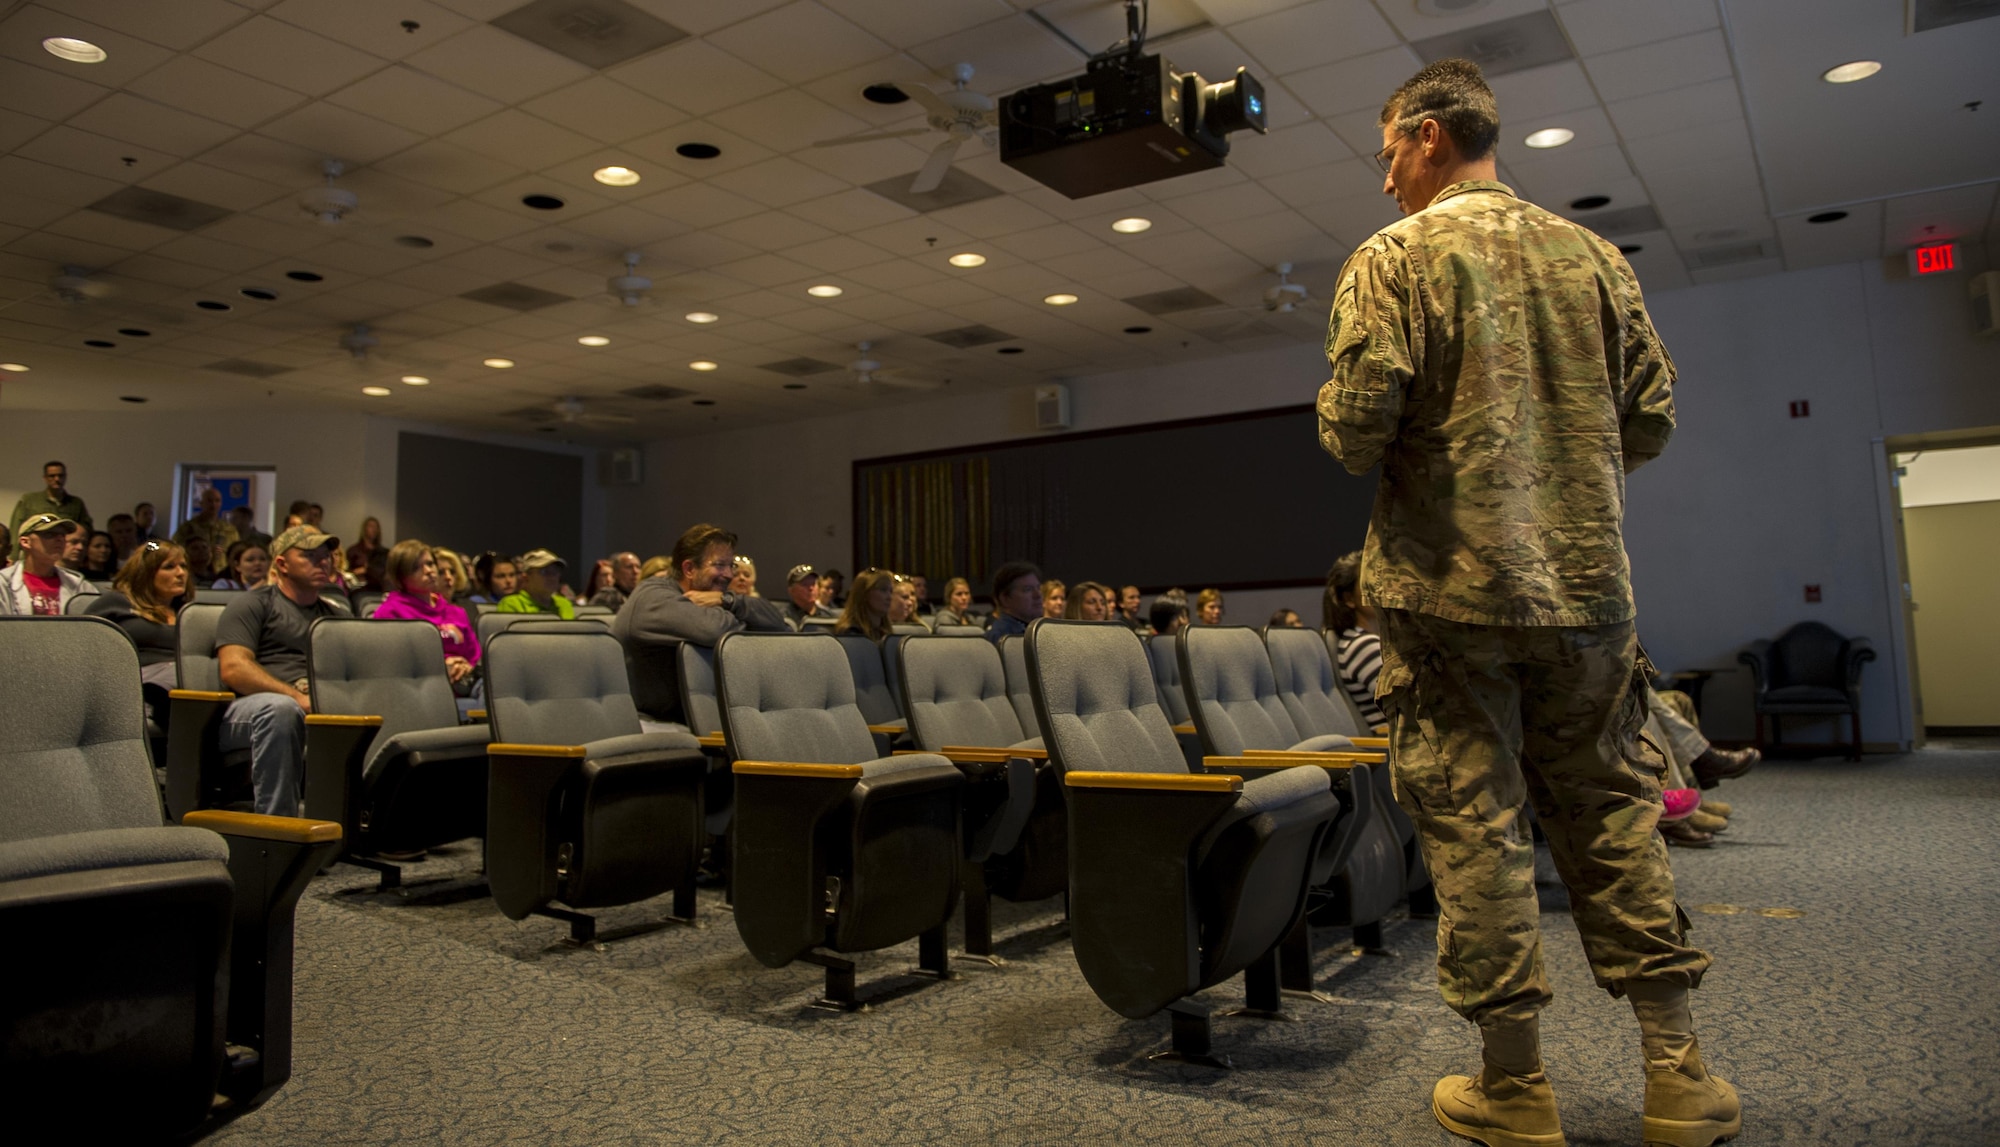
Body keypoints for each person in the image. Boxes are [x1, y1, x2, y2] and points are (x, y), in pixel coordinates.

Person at [1319, 58, 1727, 1147]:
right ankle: (1677, 1074)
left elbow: (1355, 429)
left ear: (1425, 134)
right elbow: (1649, 422)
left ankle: (1514, 1086)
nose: (1385, 182)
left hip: (1443, 597)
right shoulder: (1595, 258)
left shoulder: (1393, 259)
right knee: (1609, 811)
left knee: (1476, 828)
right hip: (1586, 594)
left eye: (1387, 156)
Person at [214, 524, 351, 817]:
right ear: (282, 564)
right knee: (281, 709)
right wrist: (297, 697)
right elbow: (234, 668)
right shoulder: (253, 604)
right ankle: (278, 834)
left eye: (326, 555)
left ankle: (368, 825)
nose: (323, 561)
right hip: (252, 709)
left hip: (317, 703)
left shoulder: (336, 614)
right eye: (310, 555)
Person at [613, 523, 786, 648]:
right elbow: (713, 630)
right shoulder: (651, 596)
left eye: (730, 565)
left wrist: (728, 600)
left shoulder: (716, 598)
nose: (729, 574)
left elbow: (779, 624)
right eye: (719, 565)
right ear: (689, 569)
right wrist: (750, 624)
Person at [374, 540, 480, 692]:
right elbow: (390, 664)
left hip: (466, 685)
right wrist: (440, 667)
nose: (429, 571)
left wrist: (466, 667)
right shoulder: (390, 613)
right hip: (418, 688)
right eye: (417, 567)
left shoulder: (456, 612)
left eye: (430, 564)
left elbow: (474, 656)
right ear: (400, 576)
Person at [90, 539, 191, 690]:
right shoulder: (117, 602)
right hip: (133, 681)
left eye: (183, 566)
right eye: (169, 567)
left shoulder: (188, 611)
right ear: (146, 573)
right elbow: (82, 644)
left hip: (183, 680)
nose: (181, 573)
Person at [1325, 552, 1388, 731]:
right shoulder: (1363, 645)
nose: (1382, 590)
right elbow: (1407, 707)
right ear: (1349, 599)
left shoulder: (1363, 640)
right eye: (1371, 584)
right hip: (1393, 748)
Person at [0, 514, 89, 614]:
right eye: (50, 535)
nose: (60, 539)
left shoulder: (78, 584)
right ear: (26, 542)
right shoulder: (4, 582)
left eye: (62, 535)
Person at [9, 460, 91, 560]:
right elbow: (16, 529)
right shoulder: (30, 500)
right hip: (36, 553)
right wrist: (13, 556)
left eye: (60, 476)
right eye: (52, 476)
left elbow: (85, 531)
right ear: (45, 478)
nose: (57, 479)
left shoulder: (76, 504)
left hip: (64, 555)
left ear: (65, 477)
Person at [173, 487, 238, 577]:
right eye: (209, 501)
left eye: (217, 501)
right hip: (195, 572)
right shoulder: (189, 527)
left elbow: (236, 551)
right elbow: (176, 549)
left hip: (223, 571)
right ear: (201, 503)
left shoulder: (229, 529)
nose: (213, 504)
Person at [496, 550, 576, 618]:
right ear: (526, 577)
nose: (552, 577)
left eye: (555, 571)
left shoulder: (564, 604)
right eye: (545, 571)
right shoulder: (511, 604)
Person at [984, 561, 1042, 645]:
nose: (1038, 595)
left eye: (1038, 588)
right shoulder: (1001, 638)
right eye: (1028, 589)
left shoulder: (1038, 631)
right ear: (1005, 599)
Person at [835, 568, 895, 640]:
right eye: (883, 590)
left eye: (891, 591)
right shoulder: (851, 633)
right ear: (864, 594)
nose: (890, 597)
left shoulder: (886, 633)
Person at [781, 564, 835, 629]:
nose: (811, 588)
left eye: (813, 583)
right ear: (791, 590)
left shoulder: (828, 617)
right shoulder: (784, 619)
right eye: (805, 584)